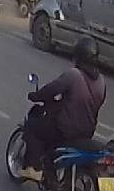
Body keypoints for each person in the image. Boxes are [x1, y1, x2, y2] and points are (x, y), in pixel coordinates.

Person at [20, 36, 107, 182]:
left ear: (78, 56)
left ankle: (33, 168)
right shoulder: (102, 81)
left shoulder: (73, 75)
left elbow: (51, 89)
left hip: (65, 131)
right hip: (87, 133)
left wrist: (36, 96)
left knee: (32, 126)